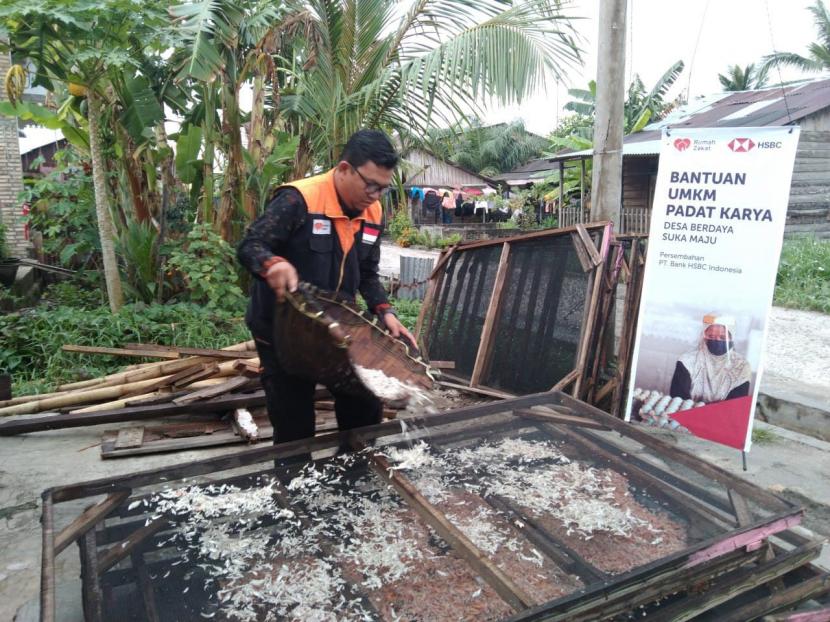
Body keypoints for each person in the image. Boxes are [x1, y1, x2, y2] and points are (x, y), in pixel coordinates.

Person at [237, 129, 416, 446]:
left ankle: (353, 478)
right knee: (294, 425)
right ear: (345, 169)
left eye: (383, 189)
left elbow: (367, 273)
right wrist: (273, 264)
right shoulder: (298, 199)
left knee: (364, 406)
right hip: (282, 331)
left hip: (334, 328)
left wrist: (384, 311)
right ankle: (294, 486)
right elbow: (251, 245)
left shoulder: (373, 213)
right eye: (370, 184)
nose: (374, 195)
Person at [669, 314, 751, 403]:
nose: (717, 340)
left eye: (723, 337)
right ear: (704, 336)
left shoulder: (741, 366)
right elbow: (678, 399)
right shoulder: (687, 361)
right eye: (711, 336)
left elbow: (735, 405)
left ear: (732, 338)